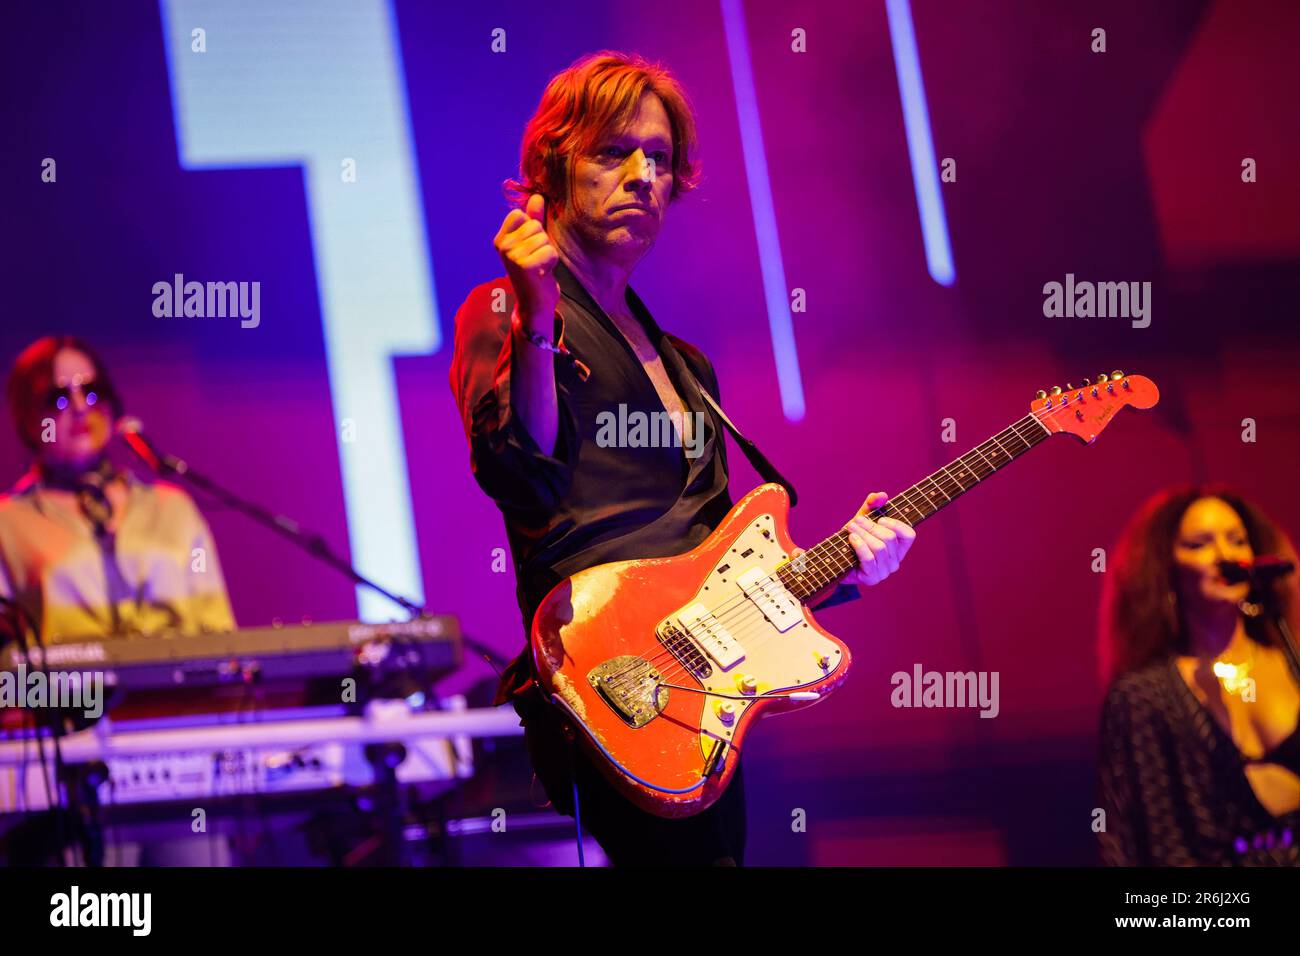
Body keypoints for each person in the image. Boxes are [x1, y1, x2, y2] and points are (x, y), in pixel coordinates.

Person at [450, 51, 916, 865]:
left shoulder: (690, 367)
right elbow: (521, 472)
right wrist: (536, 313)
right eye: (612, 153)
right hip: (605, 689)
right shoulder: (502, 310)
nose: (643, 177)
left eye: (659, 159)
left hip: (701, 699)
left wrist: (842, 570)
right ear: (553, 169)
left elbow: (713, 568)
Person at [1097, 485, 1300, 865]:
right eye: (1199, 544)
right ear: (1166, 569)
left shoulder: (1290, 662)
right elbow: (1132, 843)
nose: (1225, 555)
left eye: (1237, 540)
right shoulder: (1144, 696)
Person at [0, 335, 235, 644]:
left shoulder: (172, 508)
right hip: (72, 693)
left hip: (180, 691)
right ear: (29, 419)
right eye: (58, 398)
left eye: (92, 391)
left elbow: (218, 630)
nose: (81, 407)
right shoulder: (9, 524)